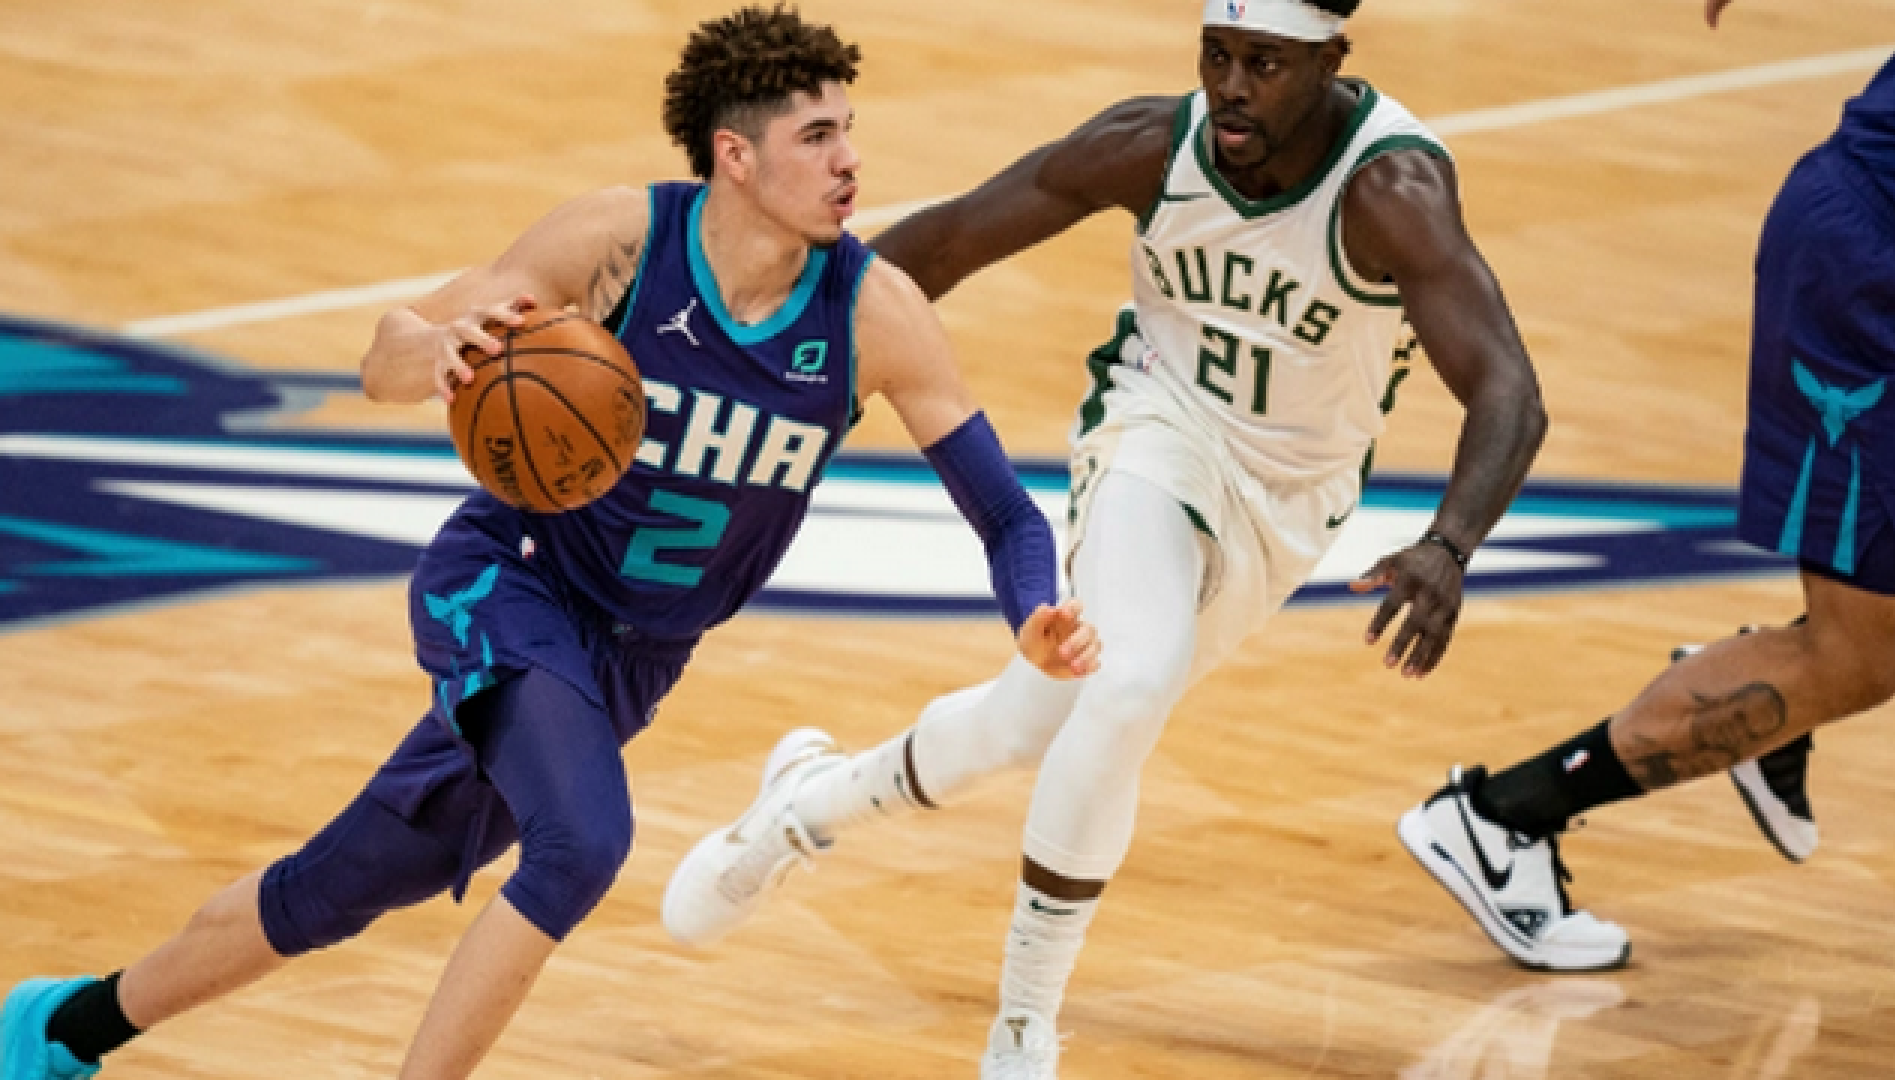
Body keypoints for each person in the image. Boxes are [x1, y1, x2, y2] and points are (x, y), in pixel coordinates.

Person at [0, 7, 1100, 1079]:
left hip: (634, 660)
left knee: (340, 884)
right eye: (817, 136)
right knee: (582, 843)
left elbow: (1006, 513)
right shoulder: (621, 243)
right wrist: (436, 350)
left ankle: (63, 1029)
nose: (850, 159)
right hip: (509, 584)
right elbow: (385, 355)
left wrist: (1032, 616)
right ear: (737, 156)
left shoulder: (872, 313)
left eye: (848, 129)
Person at [660, 0, 1554, 1075]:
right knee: (1130, 685)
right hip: (1154, 433)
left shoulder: (1390, 190)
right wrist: (774, 360)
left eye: (1264, 63)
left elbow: (1508, 388)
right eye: (1217, 56)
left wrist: (1450, 544)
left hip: (1289, 502)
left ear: (1330, 62)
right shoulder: (1150, 146)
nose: (1231, 86)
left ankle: (803, 807)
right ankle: (1023, 1029)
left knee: (1026, 723)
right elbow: (945, 242)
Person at [1399, 0, 1895, 972]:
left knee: (1853, 650)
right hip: (1873, 287)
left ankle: (1776, 685)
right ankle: (1501, 819)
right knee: (1858, 660)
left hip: (1874, 253)